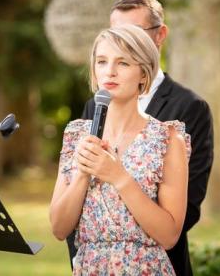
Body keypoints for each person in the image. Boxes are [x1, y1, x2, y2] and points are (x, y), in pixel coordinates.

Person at [67, 0, 214, 276]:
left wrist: (129, 251)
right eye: (115, 32)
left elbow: (188, 204)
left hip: (153, 261)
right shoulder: (93, 106)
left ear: (159, 35)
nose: (121, 43)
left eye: (132, 33)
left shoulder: (189, 108)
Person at [50, 24, 191, 275]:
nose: (110, 72)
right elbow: (59, 229)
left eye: (123, 63)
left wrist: (118, 176)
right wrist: (83, 173)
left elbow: (169, 236)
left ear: (144, 74)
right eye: (102, 62)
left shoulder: (168, 140)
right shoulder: (76, 135)